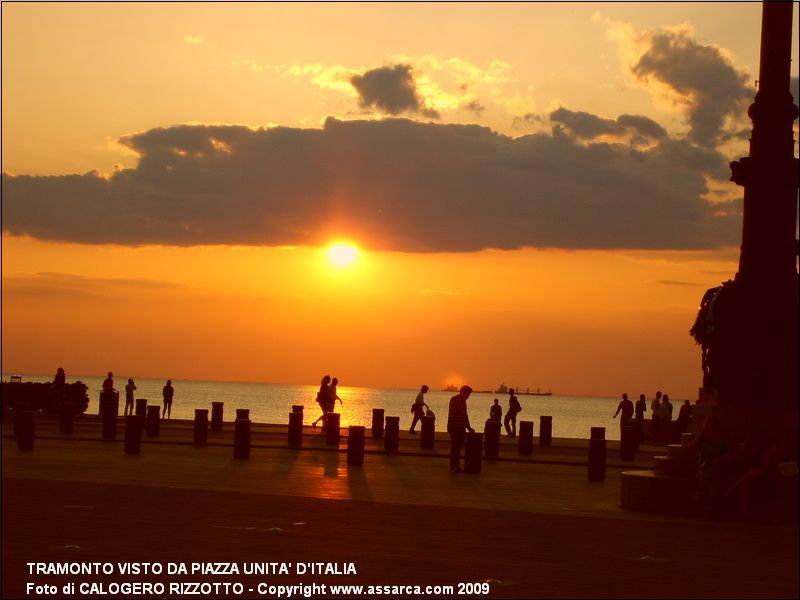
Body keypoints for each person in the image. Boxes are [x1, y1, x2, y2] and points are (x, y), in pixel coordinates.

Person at [691, 416, 734, 519]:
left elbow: (729, 458)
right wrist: (700, 436)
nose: (711, 429)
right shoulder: (703, 440)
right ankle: (708, 510)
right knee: (711, 479)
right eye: (708, 427)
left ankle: (699, 493)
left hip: (717, 468)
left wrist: (718, 460)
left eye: (713, 427)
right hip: (704, 468)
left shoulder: (723, 442)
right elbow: (690, 448)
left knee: (713, 474)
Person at [447, 385, 474, 473]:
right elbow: (460, 413)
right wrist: (467, 426)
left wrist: (468, 427)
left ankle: (456, 465)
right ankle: (454, 466)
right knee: (455, 447)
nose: (468, 396)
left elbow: (465, 415)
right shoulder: (455, 400)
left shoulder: (462, 401)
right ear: (463, 392)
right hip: (455, 427)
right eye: (467, 394)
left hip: (460, 427)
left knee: (458, 447)